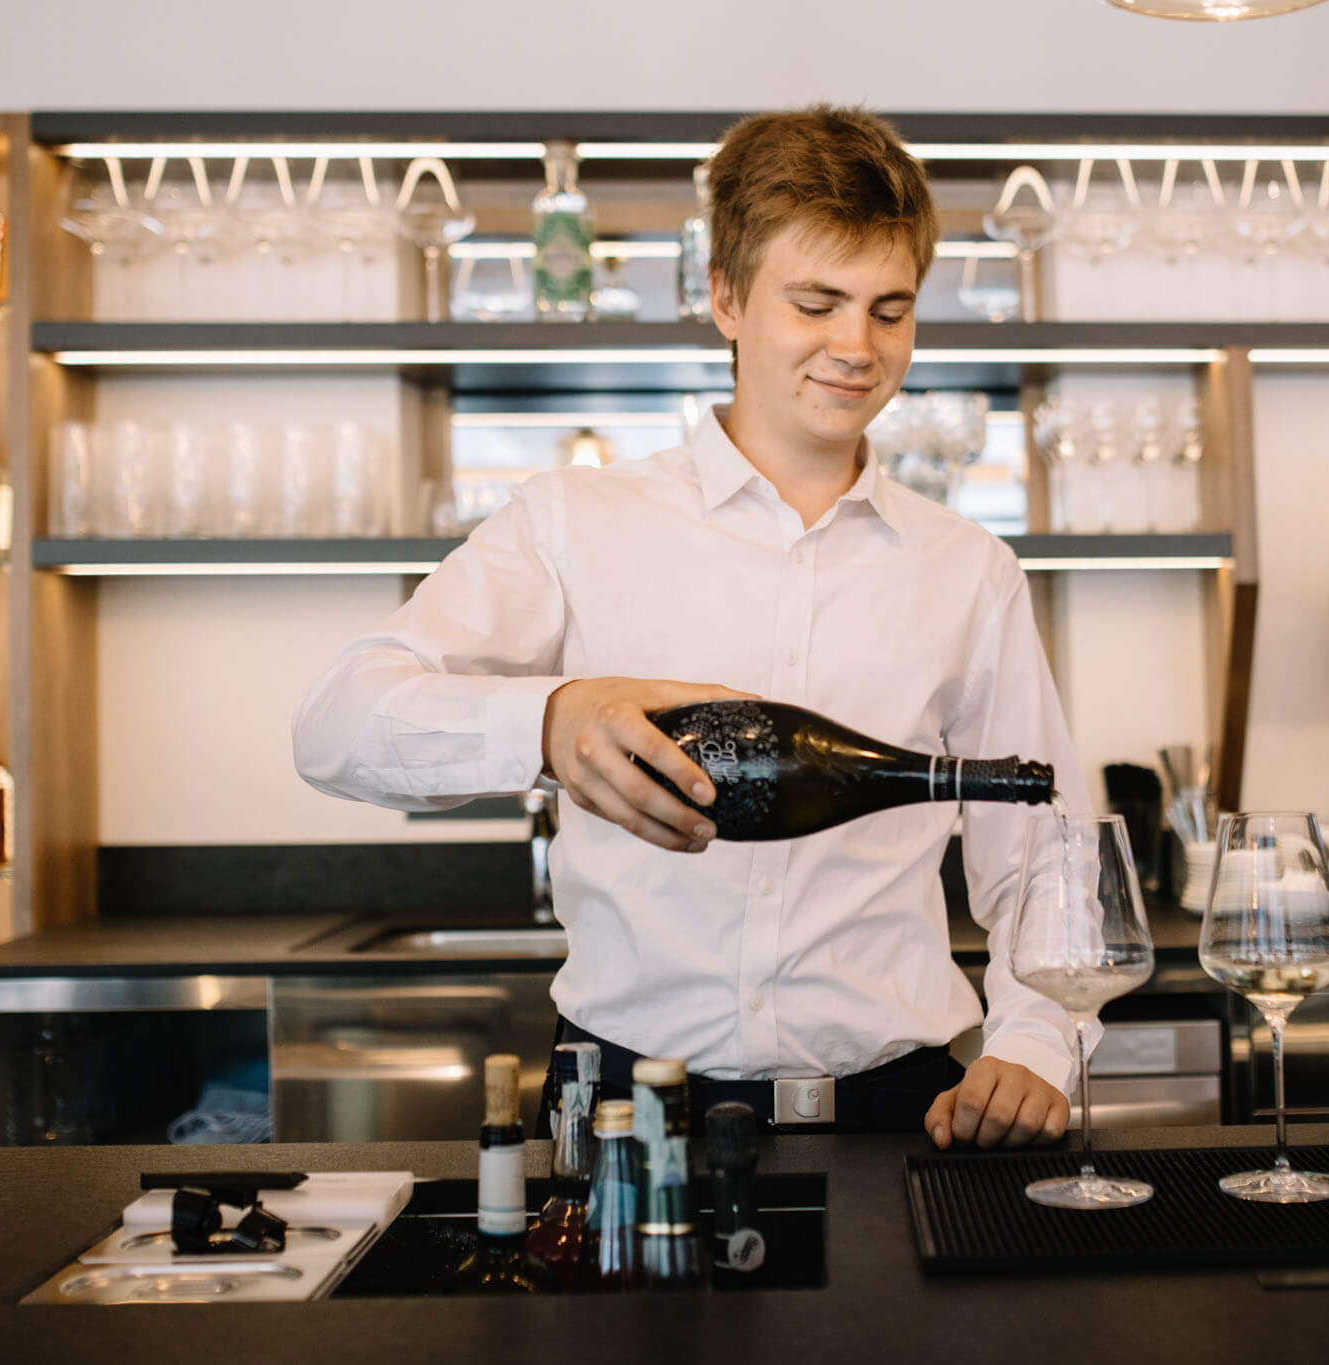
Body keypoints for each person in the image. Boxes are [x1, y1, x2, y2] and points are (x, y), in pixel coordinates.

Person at [294, 105, 1088, 1149]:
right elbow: (336, 728)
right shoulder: (573, 521)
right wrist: (552, 722)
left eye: (887, 311)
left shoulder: (967, 571)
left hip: (894, 1118)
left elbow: (1046, 853)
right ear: (724, 297)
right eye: (815, 302)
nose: (855, 346)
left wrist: (1035, 1041)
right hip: (622, 1117)